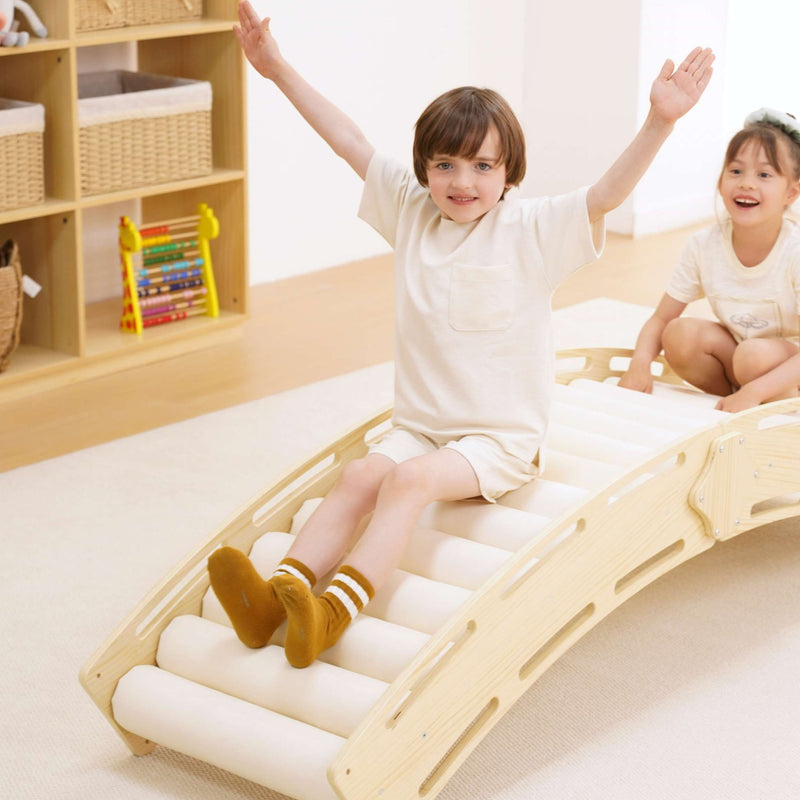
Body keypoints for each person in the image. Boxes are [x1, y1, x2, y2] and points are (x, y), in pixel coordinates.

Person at [209, 0, 714, 668]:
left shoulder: (530, 231)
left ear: (510, 174)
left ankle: (332, 614)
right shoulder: (413, 212)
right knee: (363, 474)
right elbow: (348, 140)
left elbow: (604, 197)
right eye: (445, 164)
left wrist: (659, 121)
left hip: (497, 442)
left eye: (482, 166)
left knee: (409, 482)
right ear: (423, 169)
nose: (462, 182)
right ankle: (278, 598)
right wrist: (276, 69)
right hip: (420, 423)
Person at [620, 108, 800, 412]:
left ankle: (774, 403)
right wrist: (640, 364)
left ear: (791, 193)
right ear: (720, 183)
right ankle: (730, 402)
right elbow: (661, 318)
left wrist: (755, 391)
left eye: (764, 174)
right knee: (678, 334)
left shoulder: (794, 251)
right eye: (736, 171)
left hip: (787, 368)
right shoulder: (704, 245)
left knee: (752, 356)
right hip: (741, 361)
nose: (746, 183)